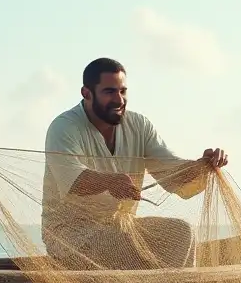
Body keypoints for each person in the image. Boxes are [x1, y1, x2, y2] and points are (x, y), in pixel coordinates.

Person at [41, 57, 227, 268]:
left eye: (123, 91)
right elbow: (72, 180)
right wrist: (109, 182)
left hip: (122, 230)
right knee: (121, 245)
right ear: (86, 93)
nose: (119, 100)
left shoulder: (139, 125)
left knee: (181, 232)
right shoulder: (63, 127)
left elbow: (170, 171)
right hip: (72, 235)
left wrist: (201, 165)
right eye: (109, 92)